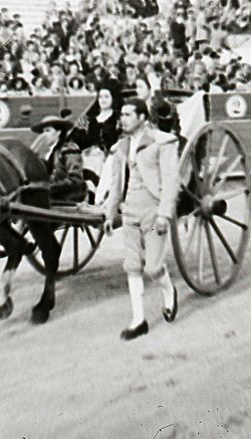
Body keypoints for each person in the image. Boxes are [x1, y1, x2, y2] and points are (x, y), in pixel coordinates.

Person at [103, 98, 179, 341]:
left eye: (127, 114)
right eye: (121, 114)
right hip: (129, 212)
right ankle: (139, 320)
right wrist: (109, 213)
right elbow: (115, 185)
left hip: (153, 209)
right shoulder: (120, 148)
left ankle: (169, 293)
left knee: (154, 267)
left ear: (142, 117)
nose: (122, 118)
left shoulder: (163, 142)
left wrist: (165, 214)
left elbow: (170, 180)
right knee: (132, 266)